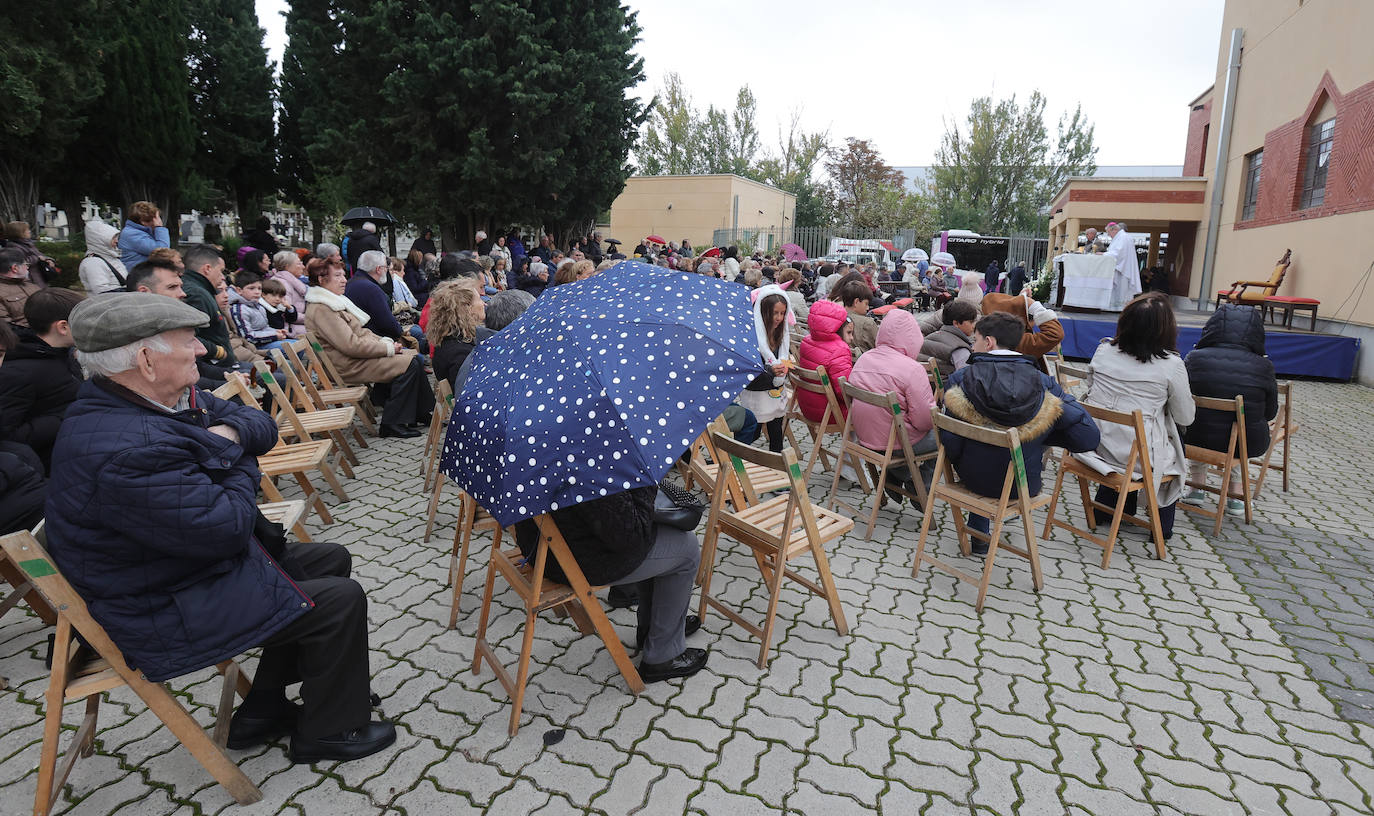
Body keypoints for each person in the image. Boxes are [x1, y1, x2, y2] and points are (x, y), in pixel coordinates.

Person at [47, 293, 395, 763]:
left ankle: (264, 708)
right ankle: (329, 732)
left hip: (175, 572)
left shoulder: (152, 401)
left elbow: (259, 425)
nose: (201, 350)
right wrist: (230, 452)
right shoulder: (125, 446)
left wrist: (225, 439)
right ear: (147, 360)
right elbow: (228, 527)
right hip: (160, 608)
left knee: (330, 559)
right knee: (337, 601)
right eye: (187, 341)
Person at [942, 312, 1100, 553]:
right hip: (1023, 484)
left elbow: (951, 442)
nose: (972, 346)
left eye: (975, 340)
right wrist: (1042, 432)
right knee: (1013, 451)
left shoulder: (962, 378)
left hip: (971, 477)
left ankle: (980, 539)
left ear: (989, 342)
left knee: (981, 450)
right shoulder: (1043, 383)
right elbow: (1087, 438)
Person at [514, 486, 707, 682]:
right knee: (686, 548)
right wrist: (644, 483)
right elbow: (631, 536)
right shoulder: (586, 464)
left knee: (659, 534)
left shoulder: (544, 456)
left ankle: (654, 629)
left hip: (544, 547)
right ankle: (663, 655)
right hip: (575, 559)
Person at [1075, 292, 1195, 539]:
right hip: (1139, 456)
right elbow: (1185, 417)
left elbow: (1091, 388)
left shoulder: (1103, 350)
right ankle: (1161, 527)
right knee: (1173, 437)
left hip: (1095, 446)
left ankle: (1108, 509)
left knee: (1128, 428)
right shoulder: (1172, 365)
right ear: (1167, 329)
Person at [304, 258, 429, 438]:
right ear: (322, 280)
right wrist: (387, 349)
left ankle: (419, 413)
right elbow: (351, 345)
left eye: (343, 275)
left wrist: (385, 342)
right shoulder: (323, 309)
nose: (344, 280)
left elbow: (361, 334)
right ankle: (391, 423)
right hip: (346, 365)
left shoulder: (334, 303)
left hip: (354, 358)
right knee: (410, 363)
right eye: (337, 276)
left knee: (414, 357)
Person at [1183, 304, 1278, 512]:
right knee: (1242, 429)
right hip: (1243, 443)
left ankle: (1197, 488)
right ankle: (1236, 496)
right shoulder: (1263, 367)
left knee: (1200, 420)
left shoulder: (1193, 358)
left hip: (1194, 438)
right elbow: (1270, 413)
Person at [847, 309, 939, 499]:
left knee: (905, 430)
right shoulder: (912, 369)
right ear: (912, 339)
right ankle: (918, 487)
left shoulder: (865, 358)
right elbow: (923, 421)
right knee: (946, 438)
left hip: (864, 438)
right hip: (896, 442)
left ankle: (895, 475)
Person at [0, 288, 85, 471]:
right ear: (63, 327)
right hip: (51, 463)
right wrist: (66, 415)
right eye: (84, 322)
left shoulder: (62, 355)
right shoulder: (20, 372)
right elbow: (8, 434)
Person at [979, 290, 1064, 373]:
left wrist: (1019, 303)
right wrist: (1033, 305)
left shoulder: (981, 337)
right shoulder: (1019, 342)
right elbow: (1055, 334)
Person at [797, 299, 852, 424]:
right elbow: (844, 392)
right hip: (830, 412)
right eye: (849, 332)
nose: (852, 337)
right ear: (837, 327)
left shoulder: (806, 341)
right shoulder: (839, 349)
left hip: (807, 406)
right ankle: (853, 441)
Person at [428, 279, 487, 392]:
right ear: (467, 308)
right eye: (479, 299)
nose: (484, 303)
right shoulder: (461, 353)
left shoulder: (449, 340)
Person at [345, 251, 406, 341]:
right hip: (374, 341)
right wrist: (401, 332)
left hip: (358, 337)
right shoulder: (371, 289)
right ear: (378, 269)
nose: (387, 271)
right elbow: (388, 324)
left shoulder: (351, 282)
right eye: (386, 267)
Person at [229, 271, 290, 353]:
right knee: (291, 346)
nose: (257, 292)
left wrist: (276, 331)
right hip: (253, 348)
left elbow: (264, 328)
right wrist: (274, 336)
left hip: (265, 342)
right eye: (251, 288)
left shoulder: (259, 307)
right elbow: (247, 337)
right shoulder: (239, 309)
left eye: (259, 288)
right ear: (239, 290)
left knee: (297, 344)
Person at [918, 299, 979, 379]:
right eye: (971, 322)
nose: (974, 326)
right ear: (956, 323)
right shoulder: (960, 350)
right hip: (946, 389)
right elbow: (967, 380)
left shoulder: (928, 338)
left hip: (924, 387)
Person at [79, 220, 129, 293]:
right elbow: (101, 290)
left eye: (117, 237)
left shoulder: (110, 257)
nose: (116, 241)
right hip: (108, 303)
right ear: (101, 239)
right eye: (113, 237)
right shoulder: (93, 263)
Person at [118, 201, 170, 272]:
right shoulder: (132, 234)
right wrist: (159, 227)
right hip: (138, 276)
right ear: (143, 222)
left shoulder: (141, 231)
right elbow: (162, 251)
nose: (157, 221)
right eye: (155, 218)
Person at [268, 251, 310, 336]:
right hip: (288, 330)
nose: (303, 267)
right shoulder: (281, 284)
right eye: (299, 264)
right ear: (287, 267)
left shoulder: (291, 281)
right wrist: (312, 319)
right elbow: (287, 314)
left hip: (298, 325)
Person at [1102, 221, 1141, 311]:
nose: (1109, 236)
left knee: (1121, 289)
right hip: (1122, 267)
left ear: (1114, 230)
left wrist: (1104, 254)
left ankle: (1120, 307)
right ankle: (1116, 307)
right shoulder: (1121, 237)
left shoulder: (1123, 237)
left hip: (1123, 269)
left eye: (1109, 233)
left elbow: (1118, 253)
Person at [0, 247, 43, 327]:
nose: (27, 267)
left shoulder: (31, 285)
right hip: (28, 337)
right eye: (26, 264)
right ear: (15, 268)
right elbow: (6, 329)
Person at [4, 221, 56, 286]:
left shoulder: (28, 243)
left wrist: (48, 260)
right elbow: (21, 262)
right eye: (27, 230)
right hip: (31, 278)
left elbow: (39, 254)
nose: (29, 231)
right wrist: (37, 258)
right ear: (19, 233)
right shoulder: (14, 247)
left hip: (39, 275)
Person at [836, 279, 879, 356]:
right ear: (856, 302)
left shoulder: (834, 318)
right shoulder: (867, 323)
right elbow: (879, 348)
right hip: (865, 364)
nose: (867, 308)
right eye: (866, 304)